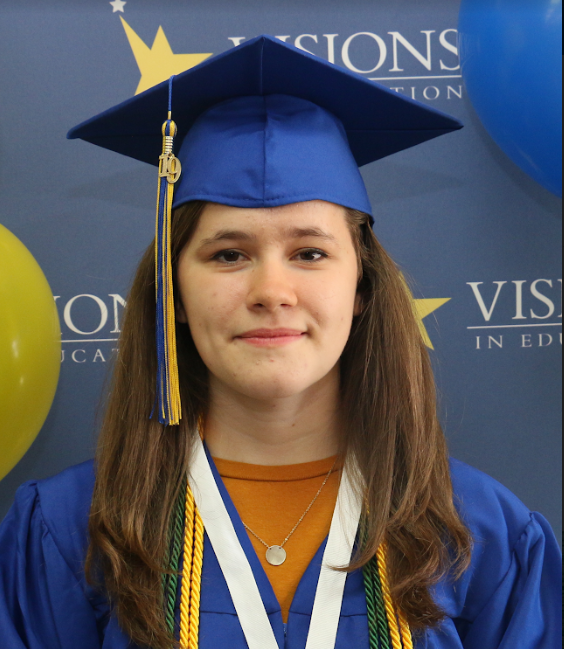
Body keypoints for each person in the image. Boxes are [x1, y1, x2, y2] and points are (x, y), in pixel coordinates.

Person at [0, 36, 561, 649]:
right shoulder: (69, 533)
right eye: (229, 253)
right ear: (175, 294)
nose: (272, 289)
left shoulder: (480, 534)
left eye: (310, 252)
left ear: (364, 287)